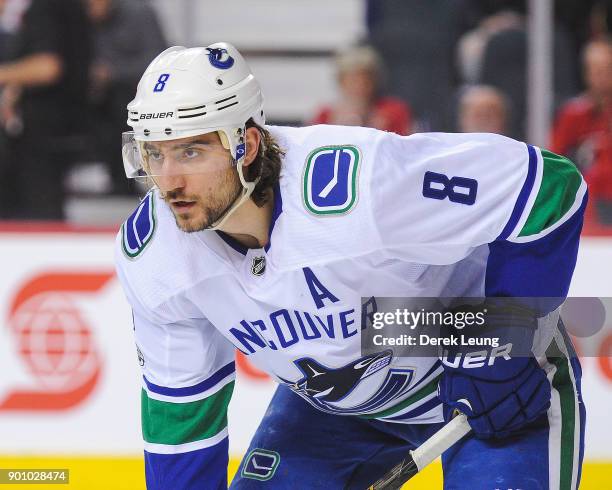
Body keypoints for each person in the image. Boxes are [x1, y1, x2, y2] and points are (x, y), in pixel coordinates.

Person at [115, 43, 586, 489]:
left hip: (478, 367)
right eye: (155, 153)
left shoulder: (360, 184)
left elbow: (547, 186)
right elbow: (182, 420)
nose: (169, 181)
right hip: (338, 406)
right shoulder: (157, 256)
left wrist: (501, 342)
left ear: (248, 145)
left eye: (190, 152)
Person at [0, 0, 91, 219]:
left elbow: (47, 67)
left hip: (46, 130)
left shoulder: (45, 8)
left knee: (38, 208)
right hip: (61, 124)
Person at [86, 0, 167, 195]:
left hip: (135, 94)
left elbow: (158, 59)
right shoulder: (81, 20)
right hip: (93, 94)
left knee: (121, 108)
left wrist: (112, 73)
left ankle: (126, 181)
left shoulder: (140, 13)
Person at [310, 45, 413, 135]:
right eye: (353, 81)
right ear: (341, 82)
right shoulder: (325, 115)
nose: (359, 87)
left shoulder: (393, 111)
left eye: (365, 81)